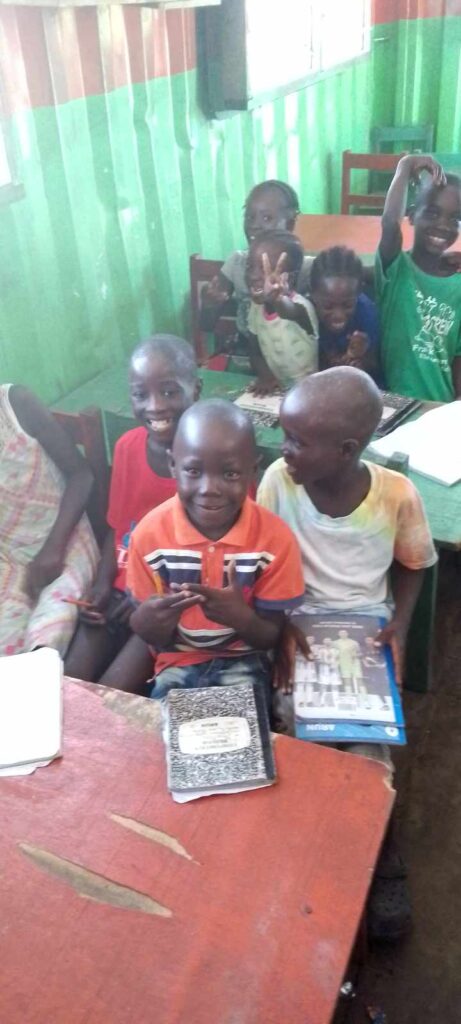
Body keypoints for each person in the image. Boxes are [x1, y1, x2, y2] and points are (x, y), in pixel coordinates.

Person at [257, 366, 438, 940]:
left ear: (346, 449)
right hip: (297, 624)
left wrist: (399, 630)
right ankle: (306, 852)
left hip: (364, 632)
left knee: (368, 752)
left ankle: (383, 855)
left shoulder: (395, 494)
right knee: (294, 732)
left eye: (297, 441)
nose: (284, 450)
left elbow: (415, 567)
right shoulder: (277, 484)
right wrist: (280, 626)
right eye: (284, 435)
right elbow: (260, 564)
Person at [126, 399, 305, 704]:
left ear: (252, 470)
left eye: (230, 474)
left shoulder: (275, 541)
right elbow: (148, 633)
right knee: (166, 742)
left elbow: (269, 637)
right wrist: (148, 620)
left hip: (244, 663)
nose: (210, 488)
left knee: (240, 744)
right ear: (173, 465)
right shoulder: (149, 535)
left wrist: (241, 618)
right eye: (193, 471)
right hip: (175, 663)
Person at [65, 335, 201, 691]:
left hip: (167, 610)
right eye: (141, 394)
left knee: (112, 697)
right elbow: (117, 528)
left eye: (170, 392)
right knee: (69, 685)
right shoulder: (127, 448)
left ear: (196, 390)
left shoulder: (210, 464)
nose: (155, 406)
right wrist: (100, 586)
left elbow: (218, 559)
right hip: (117, 595)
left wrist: (148, 602)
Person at [0, 384, 98, 658]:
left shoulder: (16, 403)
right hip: (7, 558)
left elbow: (82, 475)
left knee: (47, 636)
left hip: (65, 542)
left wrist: (53, 548)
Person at [376, 155, 461, 401]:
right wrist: (404, 166)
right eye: (432, 214)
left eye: (455, 219)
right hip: (394, 406)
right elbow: (390, 223)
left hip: (438, 410)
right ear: (412, 216)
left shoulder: (457, 286)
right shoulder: (395, 268)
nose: (443, 226)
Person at [200, 180, 312, 342]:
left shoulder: (305, 269)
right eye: (249, 216)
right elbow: (206, 326)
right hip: (245, 357)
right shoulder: (237, 263)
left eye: (266, 218)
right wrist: (209, 304)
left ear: (290, 224)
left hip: (296, 361)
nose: (254, 225)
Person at [246, 230, 318, 393]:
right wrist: (266, 377)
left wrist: (277, 299)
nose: (253, 275)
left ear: (289, 279)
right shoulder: (256, 308)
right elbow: (254, 349)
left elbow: (288, 311)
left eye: (266, 270)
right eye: (250, 266)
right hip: (277, 391)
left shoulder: (302, 307)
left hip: (309, 391)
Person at [309, 246, 381, 383]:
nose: (338, 315)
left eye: (347, 305)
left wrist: (362, 359)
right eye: (328, 306)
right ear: (313, 295)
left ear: (359, 293)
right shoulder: (306, 311)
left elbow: (376, 365)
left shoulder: (367, 314)